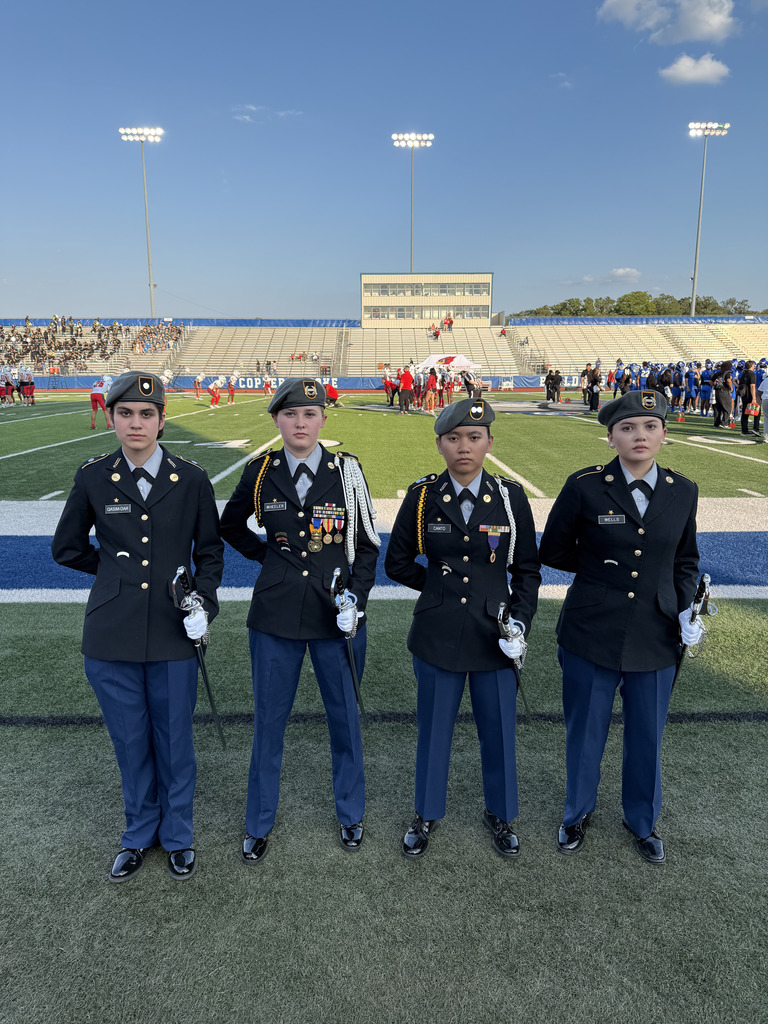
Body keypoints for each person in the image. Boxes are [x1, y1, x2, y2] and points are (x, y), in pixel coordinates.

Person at [51, 372, 224, 882]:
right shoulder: (92, 477)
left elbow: (210, 552)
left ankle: (177, 835)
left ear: (163, 419)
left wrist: (202, 604)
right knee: (130, 739)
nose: (136, 423)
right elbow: (66, 548)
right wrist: (116, 573)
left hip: (174, 628)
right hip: (112, 630)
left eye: (147, 414)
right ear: (111, 418)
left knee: (173, 739)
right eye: (125, 413)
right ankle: (137, 833)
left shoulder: (191, 479)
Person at [220, 378, 380, 863]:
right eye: (290, 414)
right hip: (276, 613)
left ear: (324, 420)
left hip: (337, 615)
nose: (300, 423)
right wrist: (269, 556)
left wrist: (356, 596)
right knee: (269, 723)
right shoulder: (261, 470)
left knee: (345, 719)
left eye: (310, 414)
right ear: (276, 420)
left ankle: (351, 814)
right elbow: (229, 525)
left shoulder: (348, 472)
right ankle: (258, 822)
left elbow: (369, 546)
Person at [539, 390, 701, 866]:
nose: (640, 436)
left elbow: (685, 560)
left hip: (656, 632)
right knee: (585, 732)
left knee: (646, 736)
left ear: (664, 435)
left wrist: (686, 609)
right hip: (592, 628)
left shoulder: (683, 490)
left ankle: (642, 821)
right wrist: (598, 569)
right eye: (628, 428)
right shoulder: (585, 485)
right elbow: (552, 549)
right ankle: (577, 813)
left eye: (650, 427)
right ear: (611, 437)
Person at [385, 398, 541, 859]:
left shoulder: (511, 498)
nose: (464, 447)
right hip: (437, 633)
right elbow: (397, 563)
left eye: (474, 437)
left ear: (490, 442)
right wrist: (436, 588)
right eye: (453, 439)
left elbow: (528, 570)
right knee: (434, 729)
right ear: (439, 445)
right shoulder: (422, 496)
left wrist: (519, 620)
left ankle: (502, 813)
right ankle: (427, 812)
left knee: (498, 730)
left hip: (495, 635)